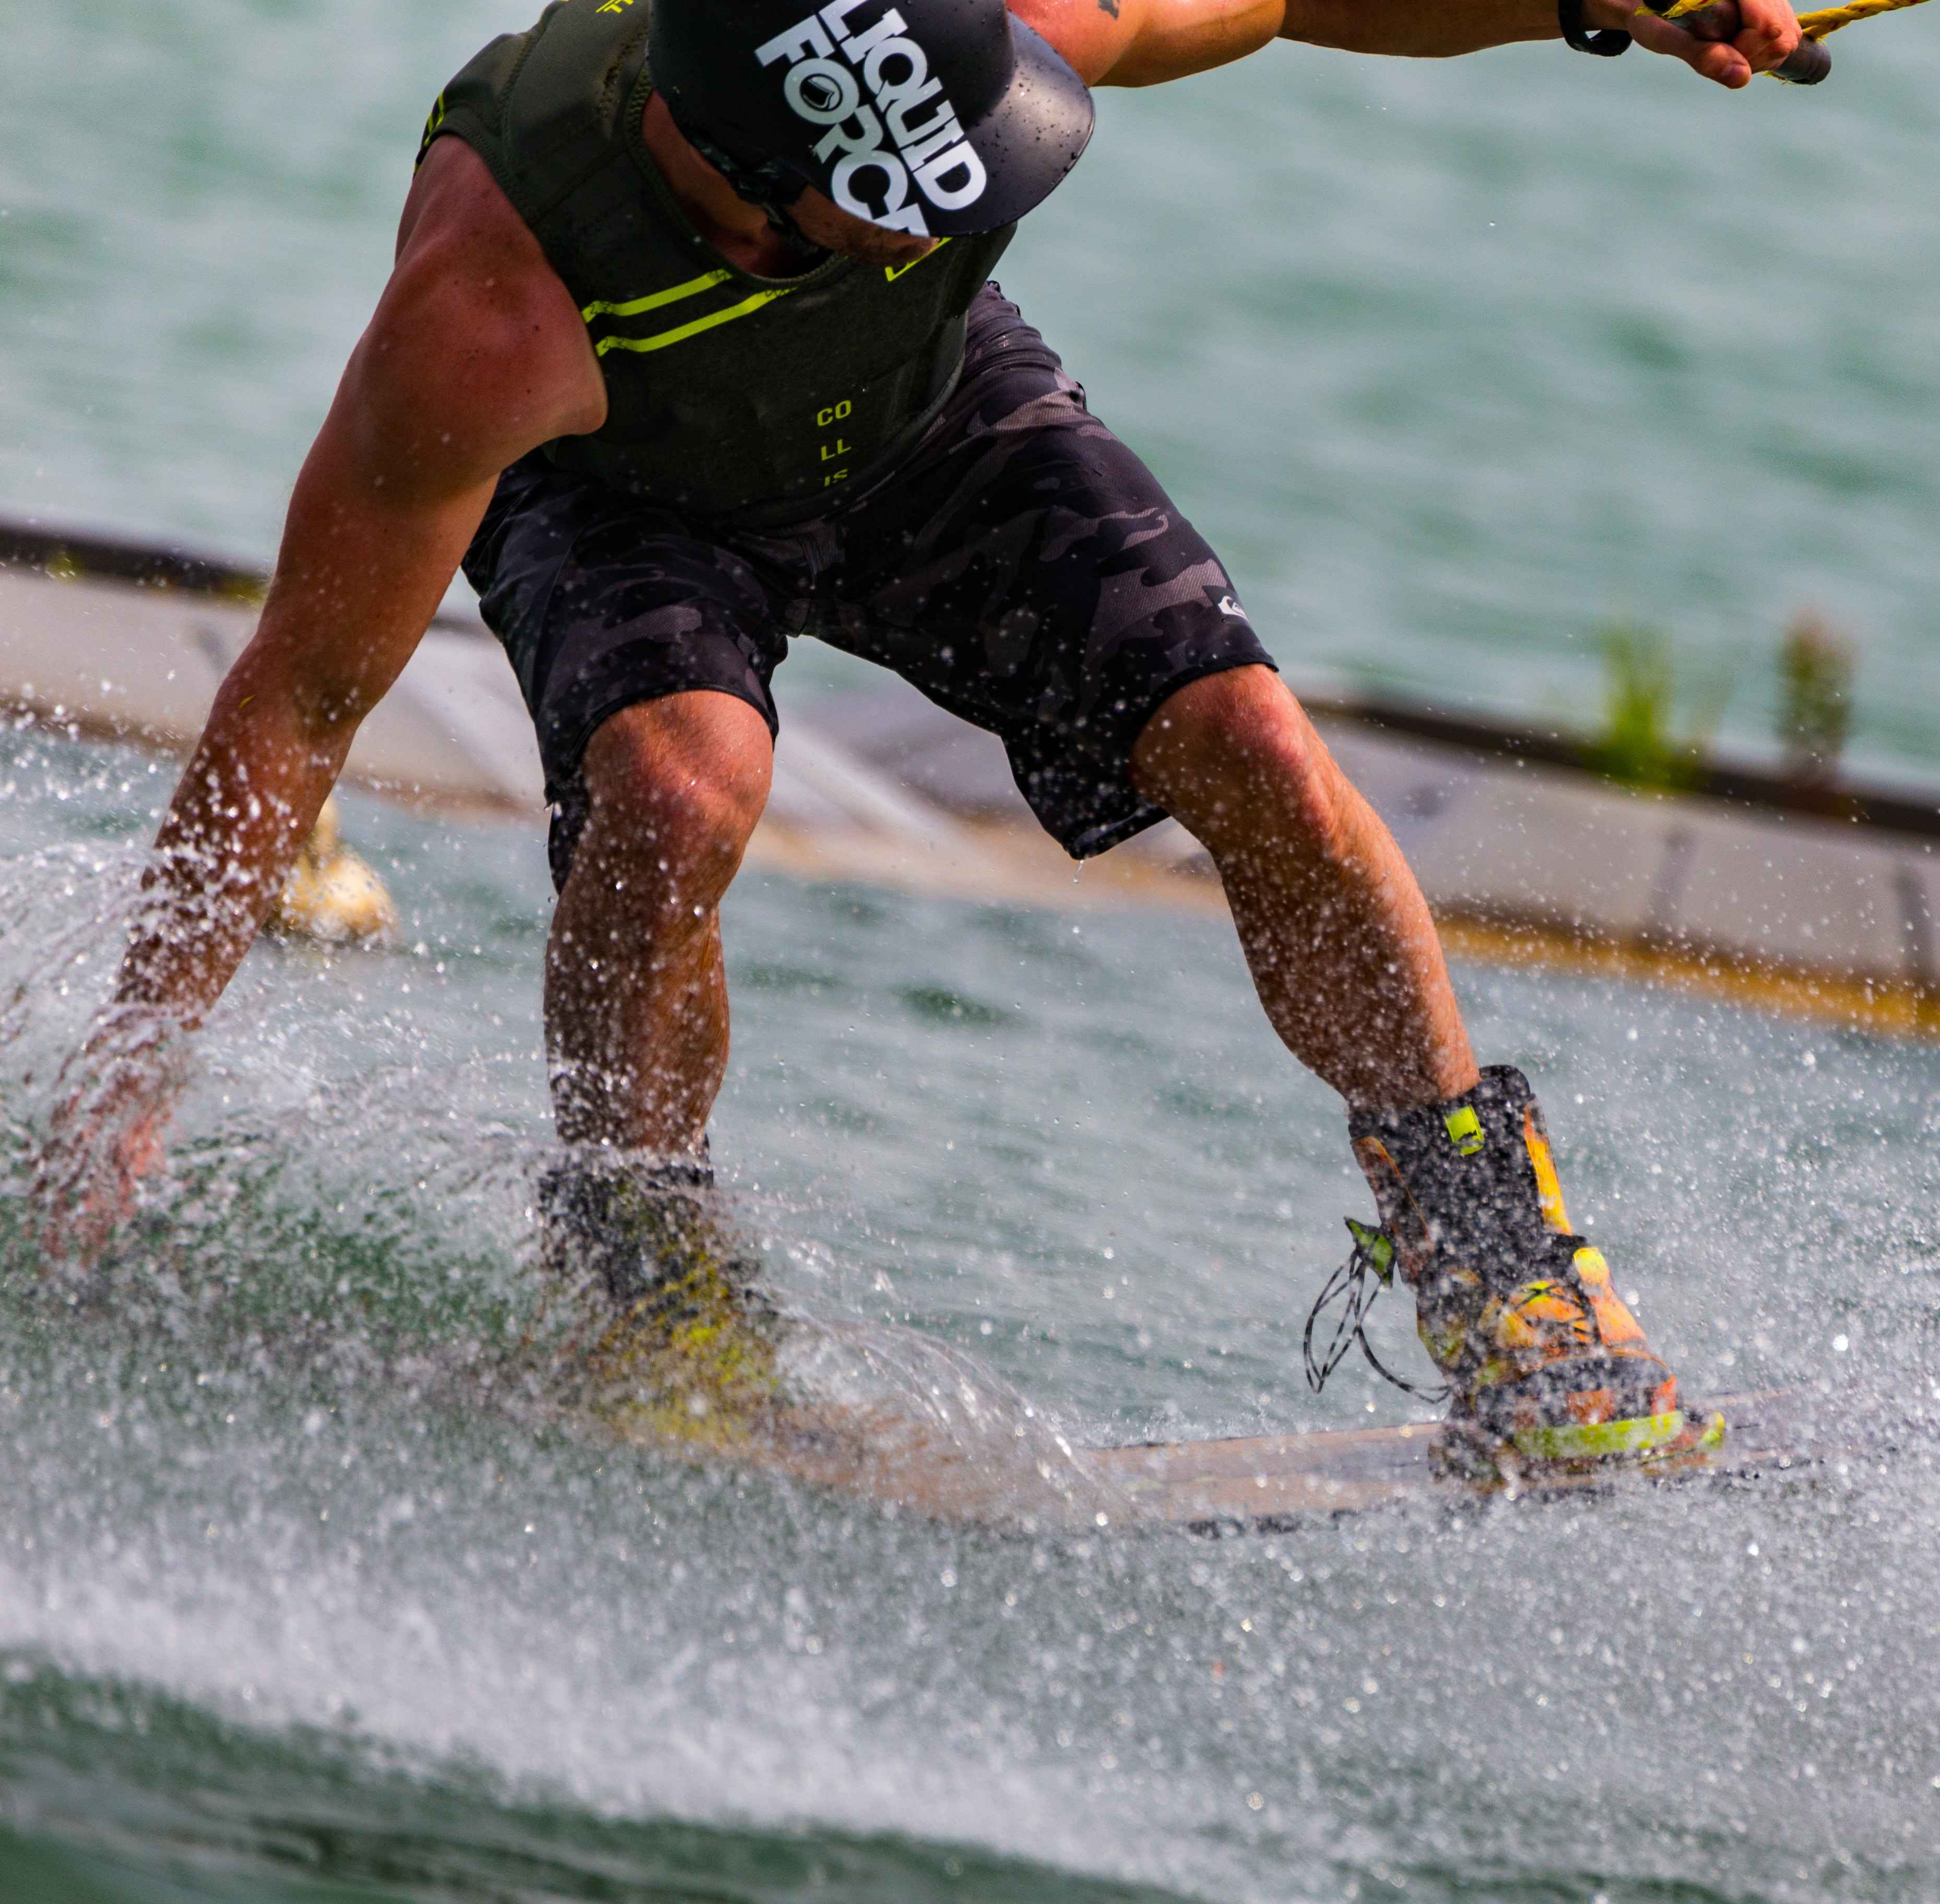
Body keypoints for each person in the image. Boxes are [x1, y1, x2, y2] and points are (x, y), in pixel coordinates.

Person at [37, 0, 1803, 1465]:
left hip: (924, 416)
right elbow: (299, 695)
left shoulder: (975, 35)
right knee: (677, 790)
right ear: (755, 196)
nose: (967, 202)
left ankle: (1499, 1262)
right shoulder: (493, 314)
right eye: (907, 199)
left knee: (1250, 741)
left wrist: (1584, 3)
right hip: (625, 482)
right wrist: (131, 1085)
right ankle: (647, 1264)